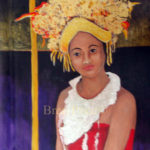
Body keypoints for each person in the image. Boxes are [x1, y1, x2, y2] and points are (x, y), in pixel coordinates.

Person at [15, 0, 139, 149]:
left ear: (104, 51)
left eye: (92, 50)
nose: (86, 60)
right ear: (70, 57)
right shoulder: (65, 97)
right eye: (77, 53)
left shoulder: (123, 100)